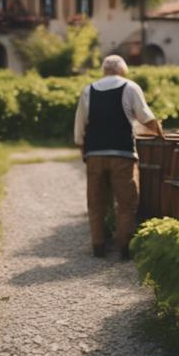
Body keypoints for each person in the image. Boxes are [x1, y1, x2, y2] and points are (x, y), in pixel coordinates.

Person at [74, 55, 163, 259]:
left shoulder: (89, 90)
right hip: (122, 153)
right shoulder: (130, 87)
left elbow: (80, 125)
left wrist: (83, 150)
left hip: (95, 153)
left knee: (96, 202)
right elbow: (145, 117)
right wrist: (160, 133)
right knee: (126, 202)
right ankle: (124, 247)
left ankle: (98, 246)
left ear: (104, 70)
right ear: (123, 70)